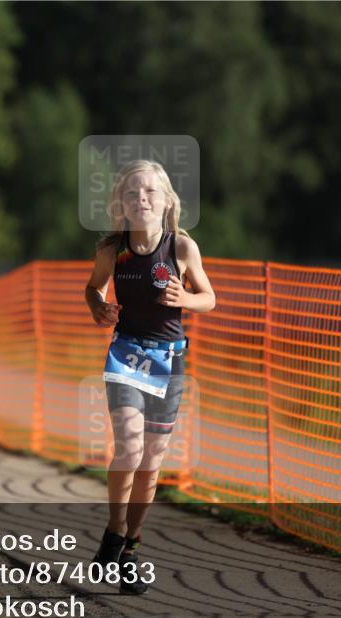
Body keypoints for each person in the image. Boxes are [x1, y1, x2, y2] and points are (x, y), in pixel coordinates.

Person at [84, 160, 216, 594]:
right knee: (129, 448)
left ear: (167, 202)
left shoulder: (182, 248)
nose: (141, 199)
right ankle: (114, 529)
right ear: (121, 205)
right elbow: (94, 287)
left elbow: (209, 297)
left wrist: (187, 300)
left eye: (150, 192)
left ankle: (129, 547)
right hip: (126, 354)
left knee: (152, 461)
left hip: (169, 361)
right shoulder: (112, 250)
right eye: (132, 193)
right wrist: (98, 305)